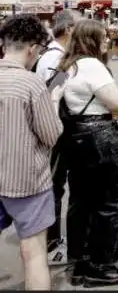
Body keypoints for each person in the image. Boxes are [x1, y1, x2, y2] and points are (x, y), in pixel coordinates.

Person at [53, 19, 118, 286]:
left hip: (75, 136)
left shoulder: (67, 65)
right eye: (103, 37)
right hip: (101, 134)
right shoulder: (92, 65)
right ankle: (102, 265)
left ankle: (80, 262)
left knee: (82, 201)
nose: (107, 41)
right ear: (92, 40)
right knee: (114, 199)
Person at [0, 15, 63, 290]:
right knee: (34, 251)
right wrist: (54, 102)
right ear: (32, 49)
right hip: (26, 181)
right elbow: (50, 135)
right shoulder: (32, 84)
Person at [32, 9, 77, 266]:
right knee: (54, 188)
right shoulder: (54, 59)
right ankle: (51, 244)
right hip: (54, 134)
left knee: (55, 187)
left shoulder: (55, 55)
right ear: (69, 29)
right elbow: (52, 99)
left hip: (55, 132)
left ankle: (51, 240)